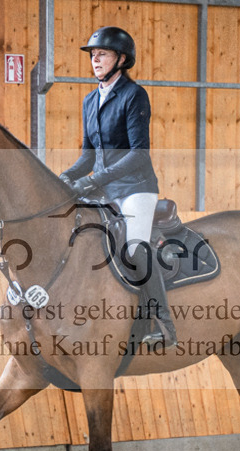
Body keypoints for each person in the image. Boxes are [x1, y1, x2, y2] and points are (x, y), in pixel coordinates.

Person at [59, 26, 177, 349]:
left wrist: (95, 180)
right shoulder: (89, 101)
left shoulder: (134, 96)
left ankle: (164, 325)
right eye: (93, 55)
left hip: (136, 188)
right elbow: (88, 156)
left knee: (134, 247)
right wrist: (66, 178)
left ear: (121, 59)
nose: (96, 60)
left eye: (103, 55)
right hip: (105, 189)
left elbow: (139, 156)